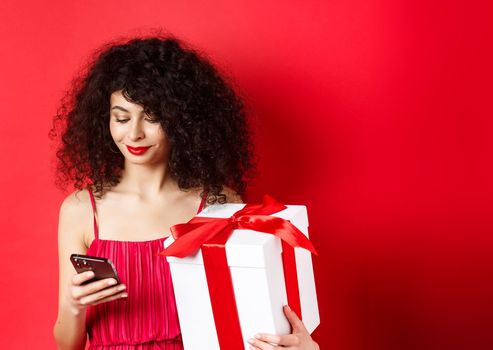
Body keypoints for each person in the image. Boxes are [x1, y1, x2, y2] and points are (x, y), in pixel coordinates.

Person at [50, 35, 320, 350]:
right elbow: (66, 345)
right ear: (104, 119)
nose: (134, 133)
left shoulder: (220, 205)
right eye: (121, 118)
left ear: (180, 121)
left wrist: (303, 346)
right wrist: (74, 306)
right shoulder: (82, 210)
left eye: (152, 117)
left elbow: (251, 314)